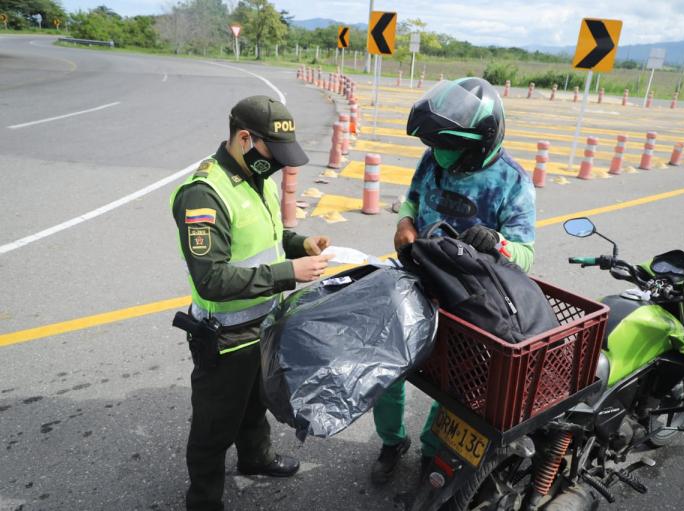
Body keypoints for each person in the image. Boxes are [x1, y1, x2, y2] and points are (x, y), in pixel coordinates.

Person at [170, 95, 333, 510]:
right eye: (272, 153)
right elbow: (212, 279)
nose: (279, 164)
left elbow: (267, 240)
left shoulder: (259, 178)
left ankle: (255, 458)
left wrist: (300, 245)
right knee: (213, 427)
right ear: (244, 139)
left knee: (254, 402)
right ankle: (204, 500)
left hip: (262, 325)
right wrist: (288, 273)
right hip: (223, 336)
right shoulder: (205, 194)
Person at [370, 77, 536, 483]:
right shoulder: (432, 158)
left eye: (450, 148)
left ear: (480, 142)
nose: (439, 156)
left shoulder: (513, 182)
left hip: (470, 299)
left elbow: (526, 257)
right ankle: (392, 441)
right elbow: (411, 198)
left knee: (453, 385)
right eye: (435, 147)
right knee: (387, 368)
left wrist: (498, 243)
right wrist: (405, 221)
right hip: (418, 277)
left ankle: (433, 448)